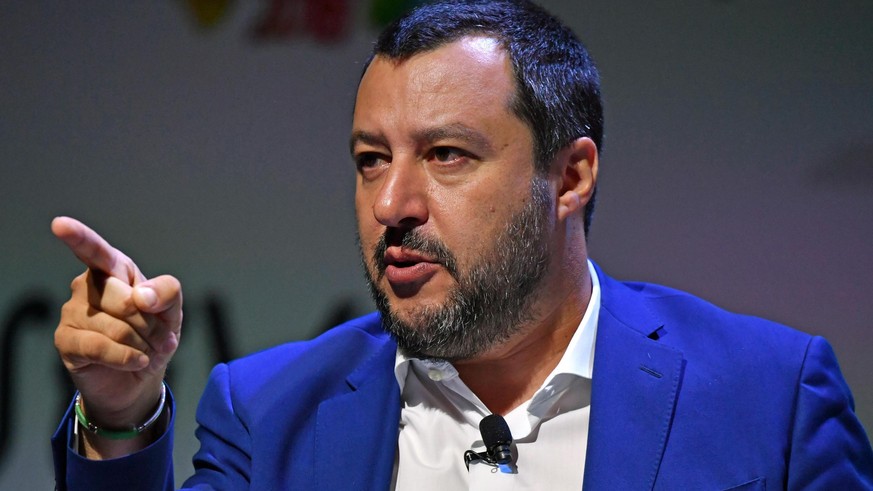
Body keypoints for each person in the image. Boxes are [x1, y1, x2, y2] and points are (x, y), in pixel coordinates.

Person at [51, 1, 873, 489]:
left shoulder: (771, 399)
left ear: (571, 174)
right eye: (371, 160)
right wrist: (119, 415)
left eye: (446, 155)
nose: (392, 203)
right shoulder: (269, 416)